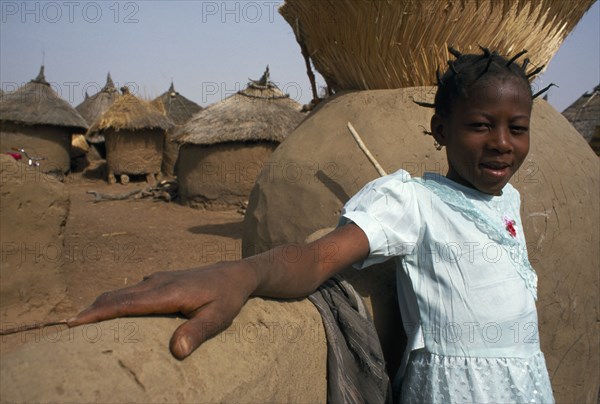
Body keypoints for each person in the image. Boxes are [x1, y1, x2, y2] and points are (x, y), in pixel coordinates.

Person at [68, 47, 555, 403]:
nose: (501, 143)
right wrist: (246, 273)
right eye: (480, 125)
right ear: (441, 130)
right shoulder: (414, 201)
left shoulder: (507, 202)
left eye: (517, 127)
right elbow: (318, 256)